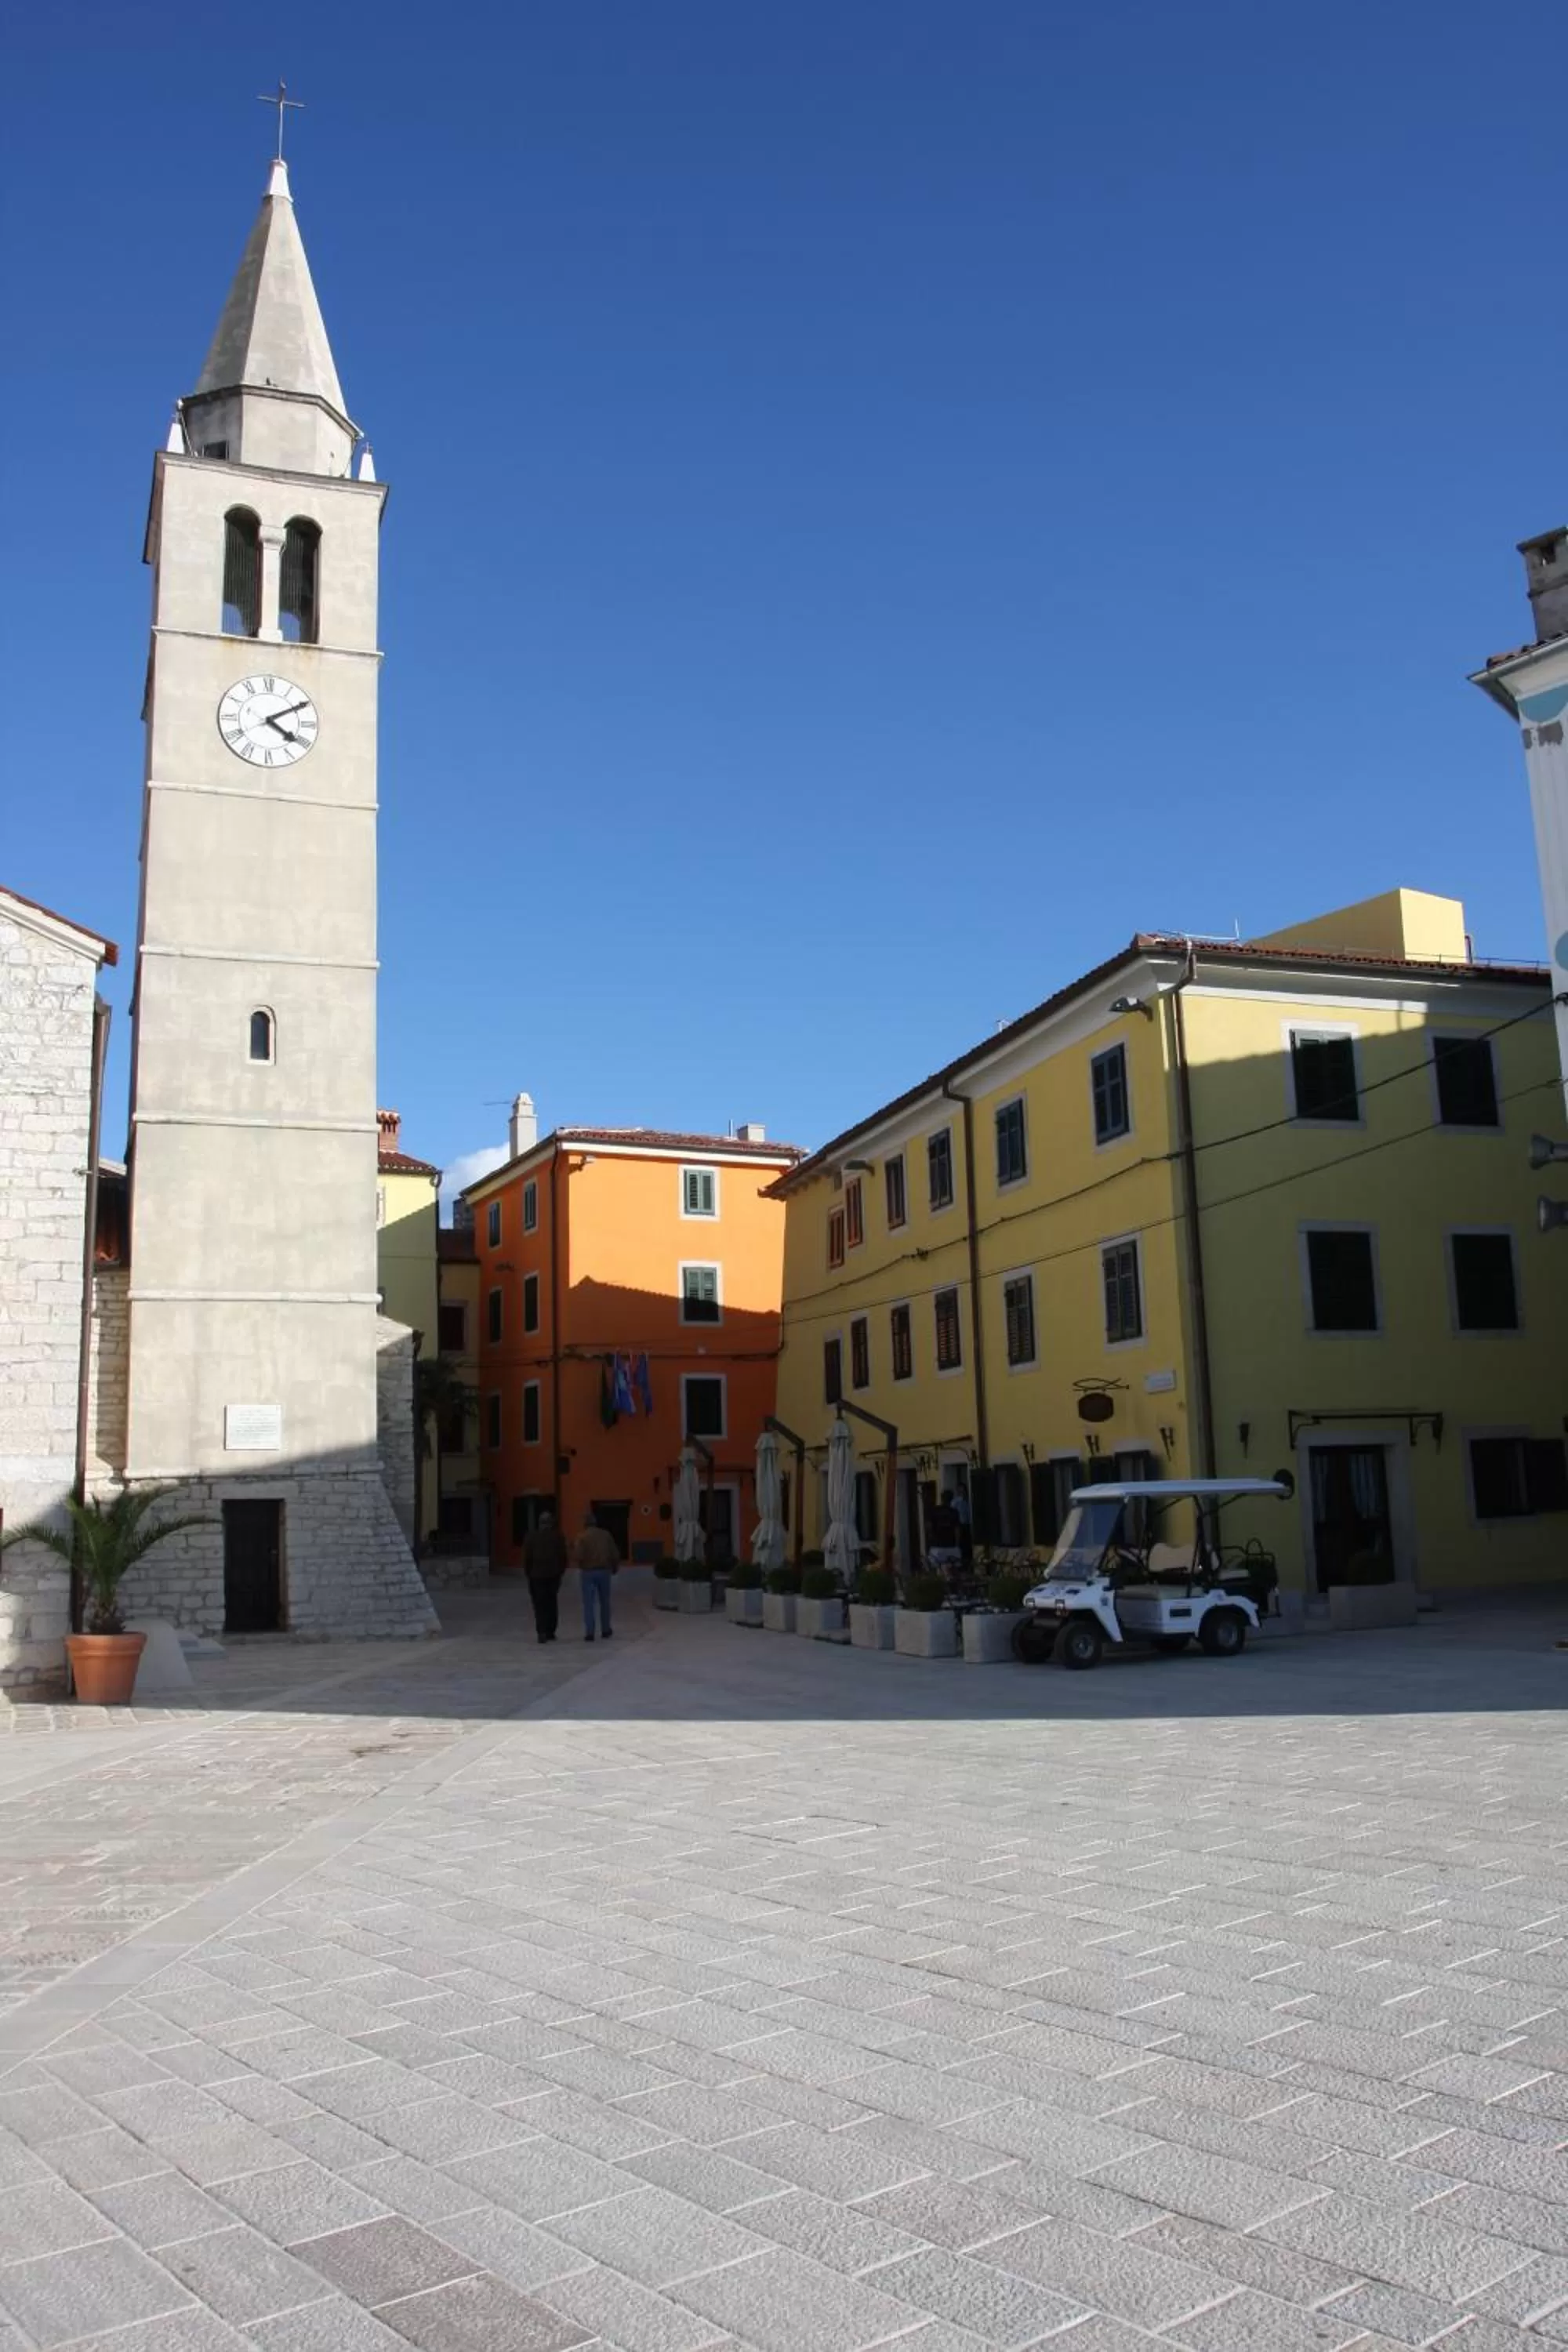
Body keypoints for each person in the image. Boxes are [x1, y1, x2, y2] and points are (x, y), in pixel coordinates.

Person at [573, 1507, 619, 1641]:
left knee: (588, 1603)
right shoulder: (606, 1535)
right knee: (605, 1602)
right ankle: (606, 1629)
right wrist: (615, 1567)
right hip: (604, 1571)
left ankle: (590, 1632)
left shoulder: (581, 1537)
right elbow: (614, 1553)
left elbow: (578, 1556)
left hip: (588, 1572)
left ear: (585, 1524)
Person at [522, 1510, 568, 1644]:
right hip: (553, 1575)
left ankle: (541, 1631)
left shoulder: (531, 1537)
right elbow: (563, 1557)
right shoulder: (558, 1537)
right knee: (552, 1603)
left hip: (536, 1575)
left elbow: (527, 1557)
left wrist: (528, 1573)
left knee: (539, 1605)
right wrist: (560, 1572)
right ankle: (550, 1631)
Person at [928, 1490, 962, 1575]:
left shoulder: (934, 1511)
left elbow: (929, 1527)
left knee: (938, 1570)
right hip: (951, 1546)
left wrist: (931, 1539)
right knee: (954, 1571)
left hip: (937, 1546)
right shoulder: (954, 1512)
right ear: (952, 1499)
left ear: (942, 1499)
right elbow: (957, 1530)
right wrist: (957, 1544)